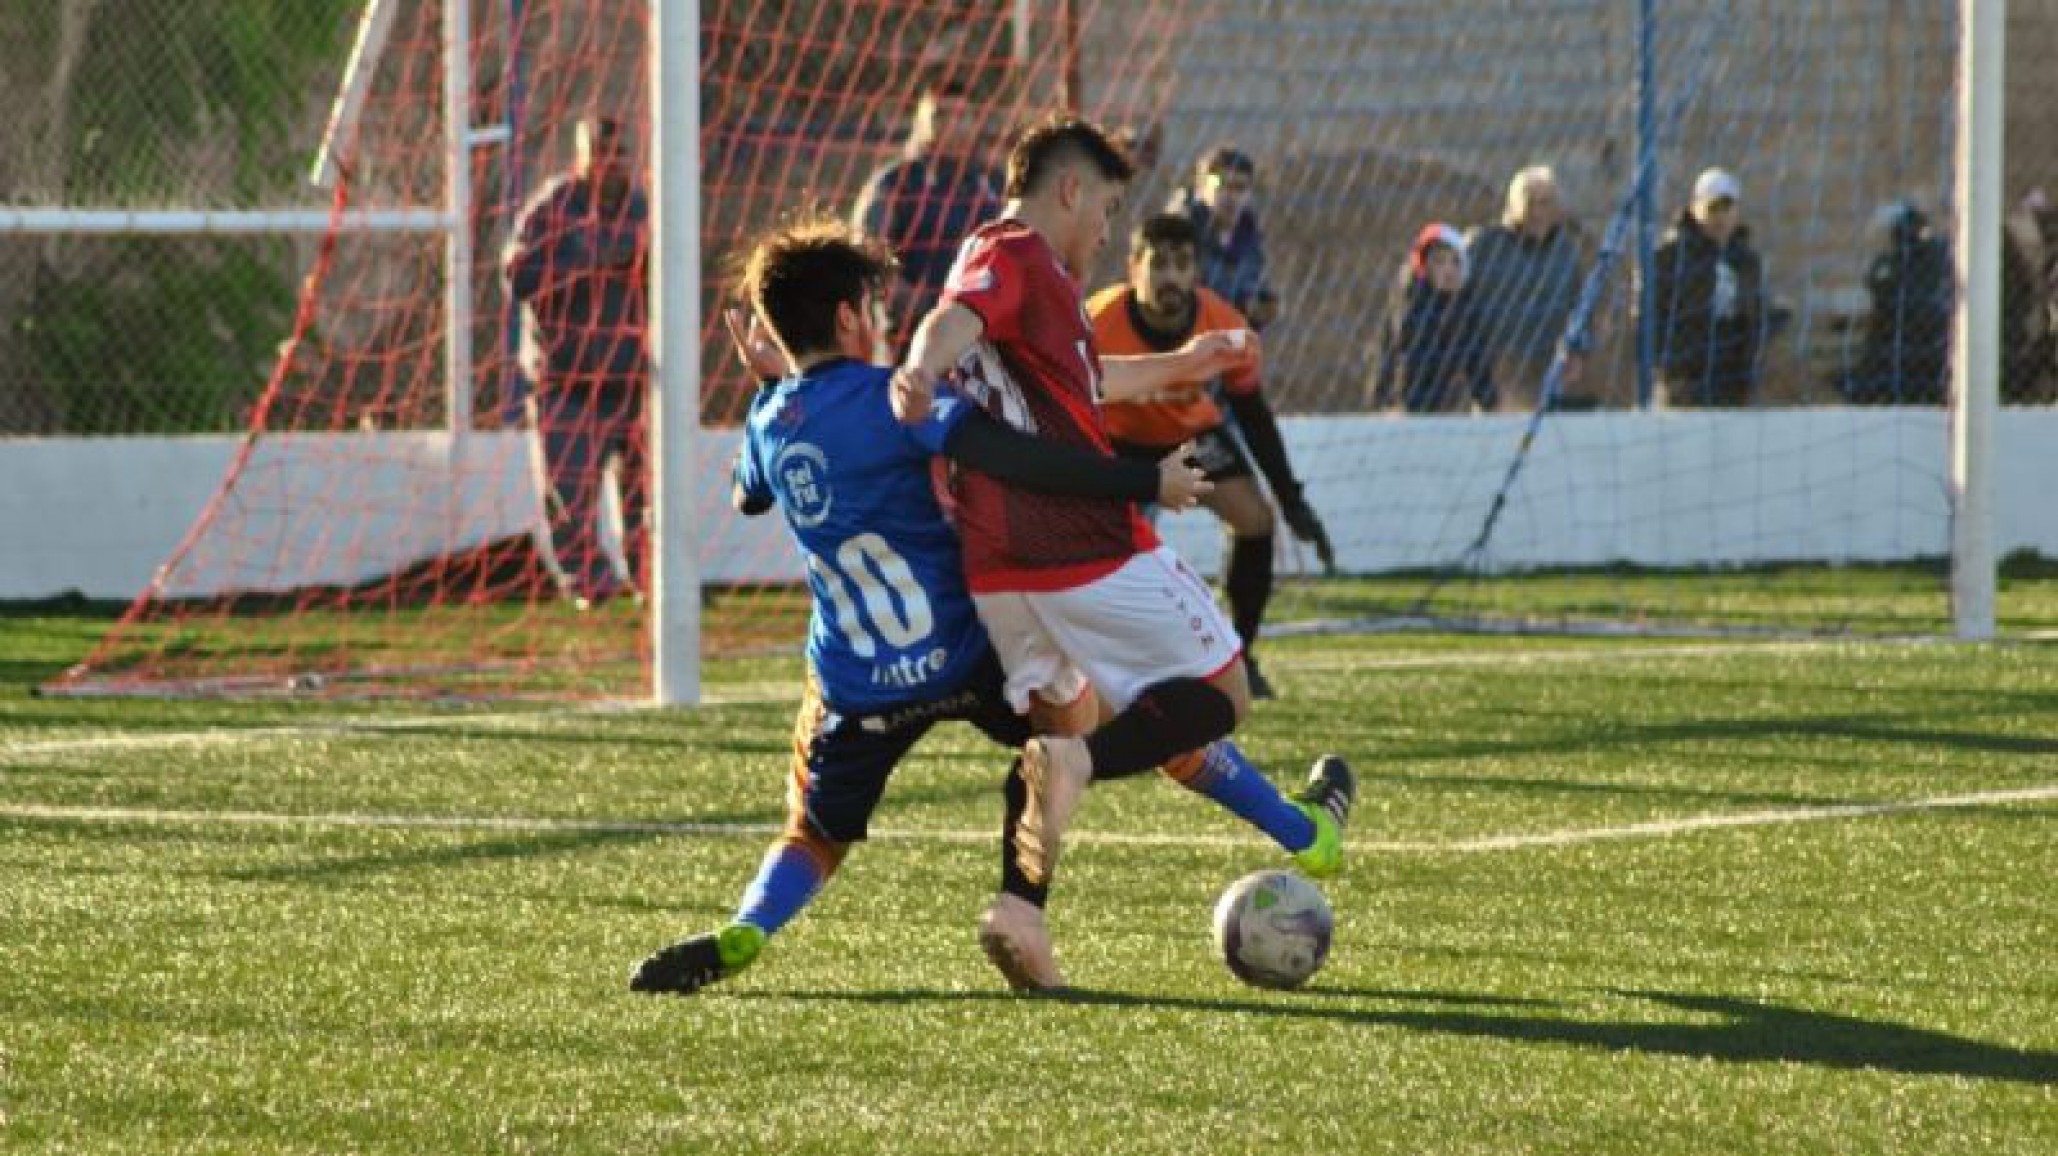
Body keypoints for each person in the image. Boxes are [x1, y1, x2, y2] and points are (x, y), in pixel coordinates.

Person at [628, 219, 1212, 996]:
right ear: (848, 318)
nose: (883, 322)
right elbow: (1006, 452)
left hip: (855, 686)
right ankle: (1022, 905)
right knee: (1074, 726)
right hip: (965, 653)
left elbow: (745, 494)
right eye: (873, 305)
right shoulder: (897, 399)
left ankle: (746, 928)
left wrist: (774, 389)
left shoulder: (772, 422)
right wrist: (1138, 482)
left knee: (814, 835)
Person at [891, 115, 1356, 991]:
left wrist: (1188, 360)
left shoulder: (1038, 290)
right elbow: (953, 319)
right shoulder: (1019, 252)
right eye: (1106, 207)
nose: (1108, 230)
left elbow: (1088, 384)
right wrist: (920, 364)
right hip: (1076, 538)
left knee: (1070, 726)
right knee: (1221, 692)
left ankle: (1020, 912)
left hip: (998, 566)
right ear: (1070, 191)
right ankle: (1090, 770)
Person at [1090, 212, 1334, 699]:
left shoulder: (1224, 324)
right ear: (1133, 267)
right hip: (1117, 442)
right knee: (1108, 548)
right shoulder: (1095, 321)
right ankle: (1106, 661)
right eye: (1158, 265)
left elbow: (1251, 411)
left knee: (1255, 520)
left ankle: (1239, 654)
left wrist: (1290, 497)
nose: (1170, 278)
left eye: (1182, 265)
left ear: (1197, 272)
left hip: (1190, 437)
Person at [502, 114, 649, 607]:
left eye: (619, 154)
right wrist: (585, 267)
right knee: (569, 500)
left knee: (646, 498)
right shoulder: (553, 207)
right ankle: (590, 585)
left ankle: (651, 578)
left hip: (631, 381)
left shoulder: (642, 208)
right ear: (581, 159)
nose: (612, 164)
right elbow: (517, 275)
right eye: (601, 155)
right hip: (566, 381)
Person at [851, 79, 1003, 346]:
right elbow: (867, 253)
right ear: (920, 122)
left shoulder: (996, 184)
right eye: (940, 115)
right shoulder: (895, 183)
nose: (952, 125)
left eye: (962, 116)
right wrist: (902, 296)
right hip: (910, 336)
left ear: (977, 122)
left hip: (985, 335)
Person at [1464, 165, 1589, 406]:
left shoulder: (1565, 252)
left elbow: (1580, 305)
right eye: (1530, 203)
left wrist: (1578, 350)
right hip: (1500, 362)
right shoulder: (1484, 247)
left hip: (1550, 362)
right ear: (1514, 205)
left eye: (1546, 203)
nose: (1538, 212)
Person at [1652, 167, 1770, 408]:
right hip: (1686, 379)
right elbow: (1650, 314)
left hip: (1733, 378)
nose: (1719, 217)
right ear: (1696, 208)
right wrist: (1668, 366)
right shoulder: (1671, 255)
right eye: (1712, 208)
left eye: (1726, 208)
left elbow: (1754, 312)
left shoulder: (1746, 261)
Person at [1372, 224, 1497, 413]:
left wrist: (1490, 402)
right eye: (1439, 261)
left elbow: (1476, 359)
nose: (1448, 270)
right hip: (1405, 400)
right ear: (1425, 265)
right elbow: (1406, 353)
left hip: (1447, 403)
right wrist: (1389, 403)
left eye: (1456, 262)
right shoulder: (1412, 298)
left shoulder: (1466, 302)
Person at [1845, 200, 1951, 404]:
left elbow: (1883, 290)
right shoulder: (1897, 261)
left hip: (1915, 345)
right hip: (1905, 342)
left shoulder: (1927, 259)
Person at [1168, 145, 1279, 331]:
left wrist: (1260, 307)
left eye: (1240, 188)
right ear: (1200, 188)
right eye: (1221, 186)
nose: (1231, 197)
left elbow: (1254, 288)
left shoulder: (1249, 236)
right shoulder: (1179, 234)